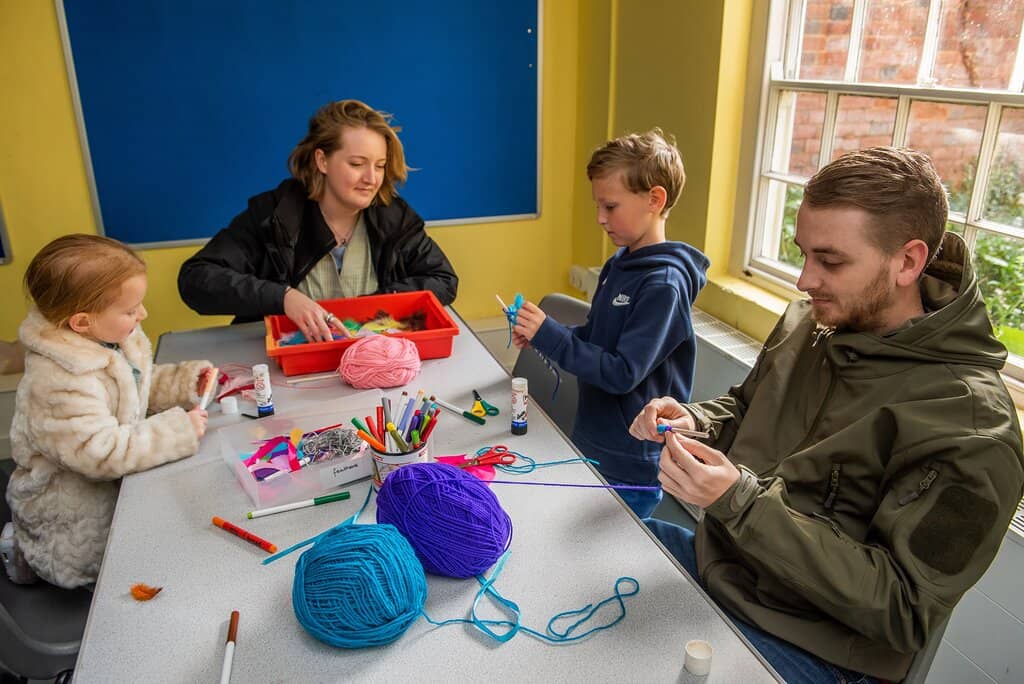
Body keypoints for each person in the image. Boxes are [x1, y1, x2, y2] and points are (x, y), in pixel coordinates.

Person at [630, 147, 1024, 683]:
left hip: (817, 647)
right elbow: (748, 409)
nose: (803, 280)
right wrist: (696, 421)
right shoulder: (809, 320)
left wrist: (738, 502)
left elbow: (905, 612)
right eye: (803, 254)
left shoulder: (972, 425)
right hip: (726, 568)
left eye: (831, 261)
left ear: (908, 261)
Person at [512, 129, 709, 518]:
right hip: (595, 437)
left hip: (630, 455)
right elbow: (596, 340)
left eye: (611, 206)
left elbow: (621, 372)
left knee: (615, 553)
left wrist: (551, 336)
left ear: (655, 199)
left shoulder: (663, 285)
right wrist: (544, 337)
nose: (601, 219)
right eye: (598, 206)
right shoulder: (621, 263)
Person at [6, 234, 212, 589]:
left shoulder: (110, 335)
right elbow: (99, 452)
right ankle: (24, 553)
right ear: (81, 322)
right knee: (106, 585)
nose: (143, 314)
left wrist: (184, 384)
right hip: (74, 523)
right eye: (132, 310)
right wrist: (177, 431)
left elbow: (132, 388)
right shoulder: (57, 382)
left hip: (114, 495)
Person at [178, 99, 458, 342]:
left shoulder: (393, 217)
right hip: (288, 365)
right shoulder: (274, 215)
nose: (371, 179)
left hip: (371, 359)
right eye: (357, 164)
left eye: (380, 166)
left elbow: (443, 280)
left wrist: (381, 302)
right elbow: (196, 279)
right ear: (322, 161)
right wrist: (283, 297)